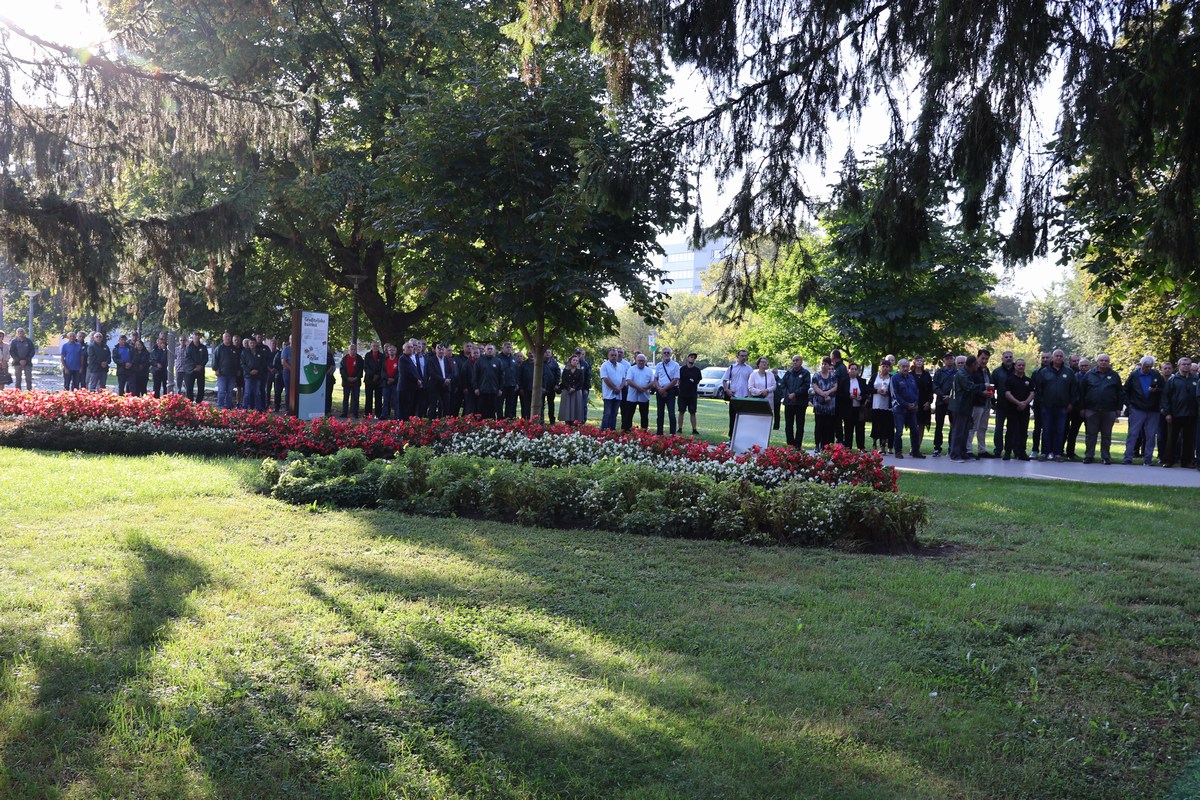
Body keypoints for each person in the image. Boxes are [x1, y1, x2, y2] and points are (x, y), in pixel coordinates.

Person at [1078, 353, 1124, 464]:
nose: (1103, 362)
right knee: (1091, 434)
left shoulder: (1114, 375)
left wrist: (1119, 408)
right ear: (1097, 362)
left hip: (1109, 410)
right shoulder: (1089, 375)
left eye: (1106, 361)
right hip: (1091, 409)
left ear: (1109, 362)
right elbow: (1082, 392)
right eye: (1101, 360)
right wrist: (1082, 408)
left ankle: (1106, 457)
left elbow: (1120, 393)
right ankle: (1089, 456)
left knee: (1106, 435)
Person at [1122, 356, 1163, 465]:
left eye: (1150, 367)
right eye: (1146, 366)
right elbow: (1125, 390)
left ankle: (1148, 459)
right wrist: (1129, 404)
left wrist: (1156, 390)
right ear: (1141, 365)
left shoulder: (1156, 375)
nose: (1148, 369)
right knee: (1133, 434)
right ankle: (1128, 457)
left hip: (1153, 409)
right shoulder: (1134, 375)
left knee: (1151, 435)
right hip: (1137, 408)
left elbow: (1164, 390)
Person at [1033, 349, 1073, 461]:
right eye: (1056, 356)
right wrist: (1042, 402)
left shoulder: (1068, 372)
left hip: (1062, 407)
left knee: (1060, 431)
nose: (1058, 358)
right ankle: (1044, 452)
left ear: (1063, 358)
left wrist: (1071, 403)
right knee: (1046, 430)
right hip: (1047, 407)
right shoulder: (1044, 372)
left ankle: (1057, 453)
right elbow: (1038, 389)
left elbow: (1073, 389)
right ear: (1052, 358)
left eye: (1061, 356)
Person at [1161, 356, 1197, 468]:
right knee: (1172, 438)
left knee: (1189, 439)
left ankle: (1187, 461)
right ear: (1179, 366)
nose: (1186, 366)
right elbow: (1165, 397)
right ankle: (1168, 460)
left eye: (1188, 364)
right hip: (1175, 414)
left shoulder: (1195, 379)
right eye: (1184, 364)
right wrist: (1167, 413)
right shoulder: (1173, 380)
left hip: (1191, 414)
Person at [949, 355, 980, 463]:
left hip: (966, 406)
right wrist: (983, 386)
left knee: (965, 431)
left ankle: (962, 453)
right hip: (959, 406)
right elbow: (969, 387)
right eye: (977, 364)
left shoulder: (968, 373)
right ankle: (954, 455)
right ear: (972, 364)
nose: (978, 366)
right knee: (958, 431)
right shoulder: (962, 374)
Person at [1002, 358, 1035, 460]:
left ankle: (1022, 452)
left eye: (1023, 365)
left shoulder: (1028, 380)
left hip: (1025, 410)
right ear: (1015, 366)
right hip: (1012, 409)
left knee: (1023, 432)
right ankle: (1007, 452)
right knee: (1010, 431)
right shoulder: (1009, 380)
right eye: (1019, 365)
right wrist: (1018, 403)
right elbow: (1007, 393)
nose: (1021, 367)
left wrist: (1025, 403)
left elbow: (1032, 393)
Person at [890, 358, 922, 458]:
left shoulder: (911, 377)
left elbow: (916, 391)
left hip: (912, 409)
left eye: (907, 366)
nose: (905, 368)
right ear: (899, 367)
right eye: (903, 366)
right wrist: (906, 404)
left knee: (915, 430)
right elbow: (895, 394)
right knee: (899, 431)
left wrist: (915, 403)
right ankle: (898, 451)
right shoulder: (894, 378)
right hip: (899, 409)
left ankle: (915, 451)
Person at [779, 355, 810, 448]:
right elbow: (782, 385)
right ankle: (790, 444)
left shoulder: (805, 373)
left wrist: (795, 394)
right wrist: (788, 394)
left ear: (801, 362)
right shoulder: (788, 373)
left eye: (797, 360)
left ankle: (798, 445)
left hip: (800, 403)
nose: (795, 362)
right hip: (789, 402)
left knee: (800, 425)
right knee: (788, 425)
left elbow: (806, 386)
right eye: (793, 360)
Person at [1063, 357, 1091, 460]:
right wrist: (1079, 407)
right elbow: (1073, 393)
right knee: (1073, 431)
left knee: (1090, 433)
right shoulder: (1074, 377)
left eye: (1086, 366)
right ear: (1079, 367)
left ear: (1089, 366)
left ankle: (1089, 454)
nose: (1084, 367)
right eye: (1082, 366)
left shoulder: (1093, 377)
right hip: (1076, 410)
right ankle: (1070, 452)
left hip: (1090, 409)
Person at [989, 350, 1015, 457]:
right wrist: (992, 401)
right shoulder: (997, 372)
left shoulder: (1017, 370)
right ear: (1002, 359)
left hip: (1014, 406)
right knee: (999, 429)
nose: (1008, 358)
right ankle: (998, 450)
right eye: (1006, 357)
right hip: (1001, 405)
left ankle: (1009, 450)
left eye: (1010, 357)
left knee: (1012, 429)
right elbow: (991, 388)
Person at [722, 349, 753, 436]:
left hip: (745, 397)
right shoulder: (732, 367)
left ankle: (741, 436)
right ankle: (731, 437)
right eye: (742, 356)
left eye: (745, 356)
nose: (744, 357)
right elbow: (724, 380)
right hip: (734, 396)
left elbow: (751, 383)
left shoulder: (749, 369)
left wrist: (750, 396)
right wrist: (727, 390)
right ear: (737, 356)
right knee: (733, 417)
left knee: (743, 418)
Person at [810, 357, 839, 450]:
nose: (823, 366)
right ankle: (817, 444)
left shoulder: (833, 376)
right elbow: (815, 387)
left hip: (830, 405)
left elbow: (835, 387)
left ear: (829, 365)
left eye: (825, 364)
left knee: (828, 426)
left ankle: (825, 445)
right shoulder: (816, 376)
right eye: (822, 364)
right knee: (819, 425)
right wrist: (824, 394)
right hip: (819, 405)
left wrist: (828, 392)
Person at [930, 353, 956, 456]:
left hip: (952, 402)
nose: (949, 360)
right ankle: (937, 447)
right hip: (941, 402)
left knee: (953, 425)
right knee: (939, 425)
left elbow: (957, 387)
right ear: (944, 360)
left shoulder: (957, 372)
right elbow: (934, 385)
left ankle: (951, 447)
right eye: (947, 359)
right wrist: (942, 395)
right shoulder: (939, 372)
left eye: (951, 358)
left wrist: (950, 397)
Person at [970, 349, 993, 458]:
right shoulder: (974, 370)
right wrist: (982, 393)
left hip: (986, 403)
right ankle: (968, 450)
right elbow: (971, 387)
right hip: (976, 403)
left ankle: (982, 450)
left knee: (983, 427)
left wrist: (991, 395)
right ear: (977, 357)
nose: (984, 361)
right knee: (973, 427)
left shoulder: (986, 370)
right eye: (982, 358)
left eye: (986, 359)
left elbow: (989, 385)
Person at [623, 352, 655, 429]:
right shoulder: (631, 369)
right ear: (636, 361)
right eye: (639, 360)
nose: (641, 362)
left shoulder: (649, 370)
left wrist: (645, 388)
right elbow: (629, 381)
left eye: (642, 361)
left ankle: (644, 431)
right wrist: (638, 388)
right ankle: (627, 431)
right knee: (629, 415)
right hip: (632, 396)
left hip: (644, 396)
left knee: (644, 416)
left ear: (645, 361)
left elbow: (652, 382)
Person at [653, 347, 681, 435]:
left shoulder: (675, 365)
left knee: (671, 413)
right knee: (660, 413)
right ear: (661, 354)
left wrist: (664, 389)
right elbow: (655, 378)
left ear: (671, 354)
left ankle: (672, 434)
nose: (666, 354)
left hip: (670, 391)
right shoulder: (659, 365)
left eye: (668, 353)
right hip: (659, 391)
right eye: (664, 352)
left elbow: (675, 380)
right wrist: (659, 389)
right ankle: (659, 433)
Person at [474, 343, 504, 420]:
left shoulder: (498, 361)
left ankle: (492, 424)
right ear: (485, 350)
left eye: (491, 349)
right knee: (481, 410)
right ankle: (480, 424)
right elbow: (475, 375)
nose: (490, 350)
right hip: (482, 390)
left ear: (494, 350)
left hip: (494, 390)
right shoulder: (479, 361)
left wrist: (500, 389)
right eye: (488, 349)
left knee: (492, 410)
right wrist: (476, 388)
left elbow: (501, 376)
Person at [600, 348, 626, 431]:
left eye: (615, 355)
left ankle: (612, 431)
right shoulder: (604, 365)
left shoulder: (621, 366)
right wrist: (615, 388)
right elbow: (605, 379)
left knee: (614, 413)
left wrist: (619, 388)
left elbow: (623, 379)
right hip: (608, 394)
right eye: (612, 355)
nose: (614, 356)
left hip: (618, 394)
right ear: (608, 356)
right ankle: (604, 431)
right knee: (607, 413)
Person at [211, 333, 239, 409]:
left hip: (232, 374)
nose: (228, 338)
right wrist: (216, 369)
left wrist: (238, 370)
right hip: (222, 374)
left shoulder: (234, 348)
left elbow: (238, 360)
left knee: (230, 391)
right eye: (226, 336)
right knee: (222, 391)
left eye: (229, 336)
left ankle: (228, 406)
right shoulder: (219, 348)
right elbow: (214, 360)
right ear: (223, 338)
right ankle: (220, 406)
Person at [871, 359, 893, 453]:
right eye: (883, 366)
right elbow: (868, 388)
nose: (885, 368)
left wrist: (887, 392)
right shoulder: (875, 376)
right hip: (876, 404)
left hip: (886, 405)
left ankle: (883, 445)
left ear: (889, 368)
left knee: (885, 425)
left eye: (887, 367)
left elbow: (894, 391)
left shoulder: (891, 378)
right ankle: (874, 444)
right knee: (876, 424)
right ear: (880, 367)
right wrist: (877, 391)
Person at [844, 362, 867, 449]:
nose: (853, 371)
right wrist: (849, 396)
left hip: (859, 409)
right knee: (848, 428)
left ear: (858, 371)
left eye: (855, 369)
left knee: (860, 428)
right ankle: (848, 447)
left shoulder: (862, 381)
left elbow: (866, 393)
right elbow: (841, 394)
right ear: (848, 370)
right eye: (852, 369)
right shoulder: (844, 381)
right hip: (848, 408)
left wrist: (861, 397)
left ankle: (861, 447)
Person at [677, 353, 702, 436]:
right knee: (681, 411)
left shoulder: (697, 370)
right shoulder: (682, 369)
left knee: (693, 412)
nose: (693, 359)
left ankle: (694, 429)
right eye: (691, 357)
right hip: (682, 394)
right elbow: (678, 380)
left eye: (694, 358)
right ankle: (680, 428)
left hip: (692, 395)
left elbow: (698, 380)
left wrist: (693, 381)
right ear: (687, 358)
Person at [559, 354, 588, 424]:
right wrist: (569, 388)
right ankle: (567, 423)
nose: (575, 362)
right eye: (574, 360)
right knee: (567, 408)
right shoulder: (565, 371)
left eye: (576, 360)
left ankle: (575, 424)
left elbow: (581, 382)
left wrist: (574, 389)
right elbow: (564, 381)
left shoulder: (580, 371)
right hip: (567, 391)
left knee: (576, 408)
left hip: (576, 392)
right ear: (570, 361)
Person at [338, 343, 364, 417]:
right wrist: (347, 378)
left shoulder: (359, 359)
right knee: (346, 398)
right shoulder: (344, 359)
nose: (353, 351)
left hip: (356, 381)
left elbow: (361, 369)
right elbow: (342, 370)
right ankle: (344, 413)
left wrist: (356, 377)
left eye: (354, 349)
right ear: (348, 350)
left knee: (356, 398)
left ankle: (355, 413)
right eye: (351, 349)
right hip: (346, 381)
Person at [183, 332, 209, 402]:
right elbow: (187, 358)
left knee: (201, 388)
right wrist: (195, 366)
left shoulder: (203, 347)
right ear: (193, 337)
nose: (197, 337)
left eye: (198, 335)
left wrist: (201, 366)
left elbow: (206, 358)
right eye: (195, 335)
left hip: (200, 370)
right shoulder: (188, 347)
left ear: (200, 337)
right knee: (189, 388)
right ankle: (190, 403)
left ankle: (198, 403)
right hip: (190, 371)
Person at [498, 341, 519, 420]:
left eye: (510, 347)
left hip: (512, 385)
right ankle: (500, 419)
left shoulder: (513, 359)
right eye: (507, 347)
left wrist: (517, 383)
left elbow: (517, 372)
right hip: (502, 385)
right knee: (499, 403)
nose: (509, 349)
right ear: (503, 348)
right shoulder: (498, 358)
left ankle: (508, 419)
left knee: (510, 404)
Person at [362, 341, 384, 417]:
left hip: (379, 379)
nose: (375, 347)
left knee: (378, 398)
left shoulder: (382, 356)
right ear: (371, 347)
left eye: (376, 346)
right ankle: (368, 414)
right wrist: (372, 375)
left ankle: (378, 414)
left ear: (379, 347)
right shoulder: (367, 355)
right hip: (369, 379)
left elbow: (383, 367)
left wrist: (377, 375)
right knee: (368, 397)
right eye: (373, 346)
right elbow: (365, 366)